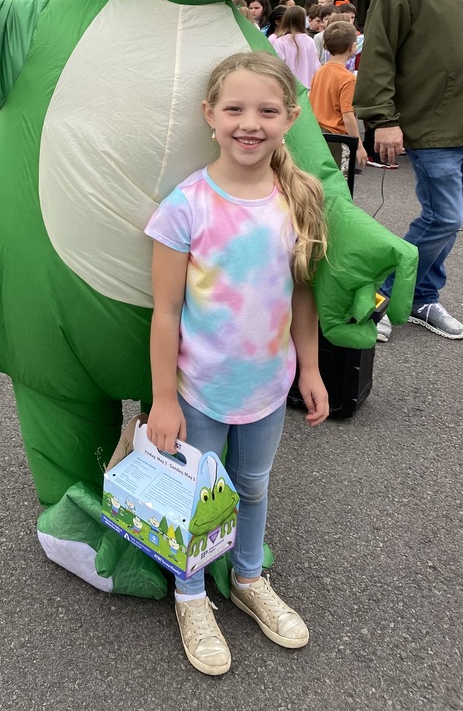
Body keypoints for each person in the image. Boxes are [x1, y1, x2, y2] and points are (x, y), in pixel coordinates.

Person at [144, 51, 329, 676]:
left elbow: (302, 293)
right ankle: (191, 594)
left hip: (269, 388)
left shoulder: (298, 199)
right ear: (210, 116)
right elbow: (165, 312)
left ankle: (248, 579)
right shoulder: (185, 206)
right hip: (198, 390)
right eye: (235, 109)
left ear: (290, 118)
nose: (250, 123)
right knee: (198, 497)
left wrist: (310, 370)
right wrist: (163, 399)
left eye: (267, 111)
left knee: (252, 487)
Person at [354, 0, 463, 342]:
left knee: (449, 218)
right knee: (445, 217)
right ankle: (378, 296)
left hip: (458, 123)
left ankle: (421, 297)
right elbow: (377, 50)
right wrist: (384, 118)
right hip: (431, 124)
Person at [309, 21, 368, 173]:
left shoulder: (321, 71)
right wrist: (359, 146)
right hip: (337, 138)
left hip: (318, 133)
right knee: (339, 181)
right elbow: (348, 115)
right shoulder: (348, 79)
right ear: (352, 47)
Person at [270, 4, 320, 88]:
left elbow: (277, 67)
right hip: (307, 89)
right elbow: (316, 66)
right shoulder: (310, 41)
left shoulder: (280, 42)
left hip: (289, 88)